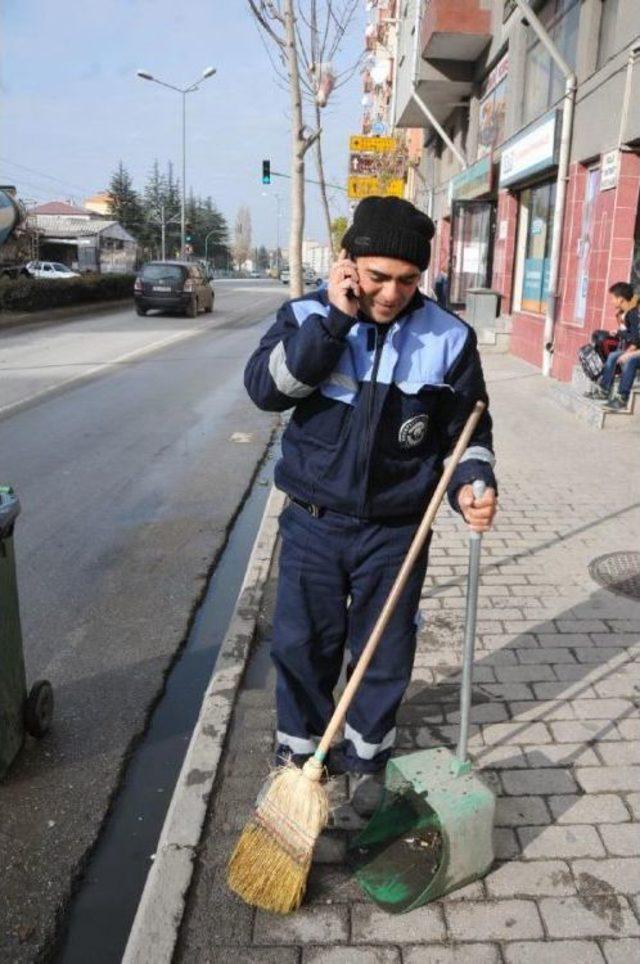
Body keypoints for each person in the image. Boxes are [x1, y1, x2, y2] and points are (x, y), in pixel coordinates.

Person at [244, 196, 497, 813]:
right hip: (312, 524)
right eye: (378, 277)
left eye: (408, 280)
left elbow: (470, 430)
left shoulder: (449, 337)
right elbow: (266, 392)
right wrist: (333, 321)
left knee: (385, 651)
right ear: (348, 264)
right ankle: (299, 758)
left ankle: (366, 756)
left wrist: (472, 484)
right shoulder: (304, 315)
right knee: (302, 646)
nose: (391, 294)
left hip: (398, 531)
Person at [593, 282, 640, 410]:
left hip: (636, 352)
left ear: (620, 299)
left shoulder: (634, 314)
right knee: (613, 354)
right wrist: (619, 333)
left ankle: (622, 398)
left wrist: (628, 353)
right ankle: (604, 389)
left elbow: (636, 340)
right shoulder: (627, 313)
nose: (611, 301)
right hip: (634, 349)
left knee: (630, 360)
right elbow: (633, 335)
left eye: (613, 298)